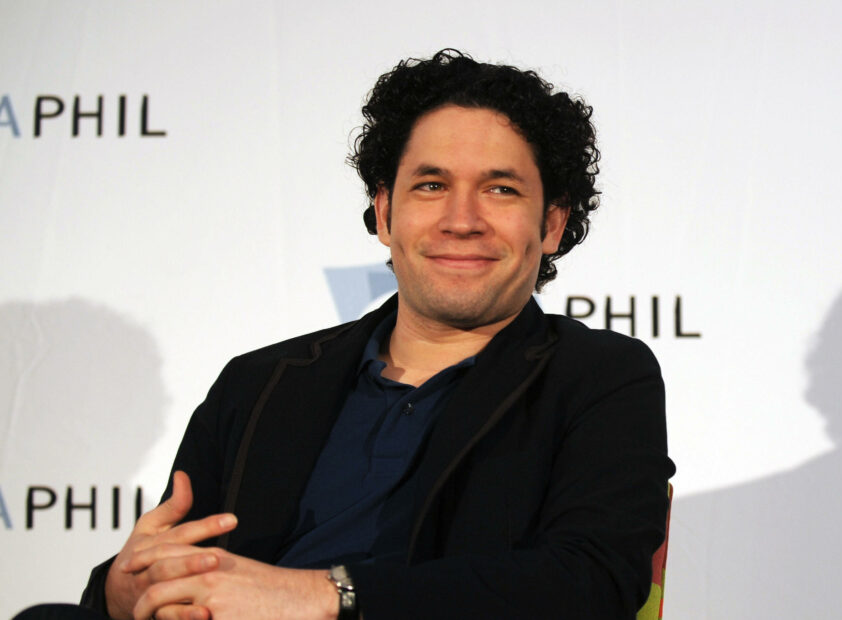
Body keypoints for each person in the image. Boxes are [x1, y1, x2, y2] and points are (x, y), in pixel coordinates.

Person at [40, 49, 672, 620]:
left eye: (500, 189)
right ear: (385, 212)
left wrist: (322, 596)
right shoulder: (261, 381)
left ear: (553, 224)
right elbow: (180, 560)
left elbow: (587, 582)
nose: (461, 220)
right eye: (431, 185)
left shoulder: (599, 375)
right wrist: (123, 593)